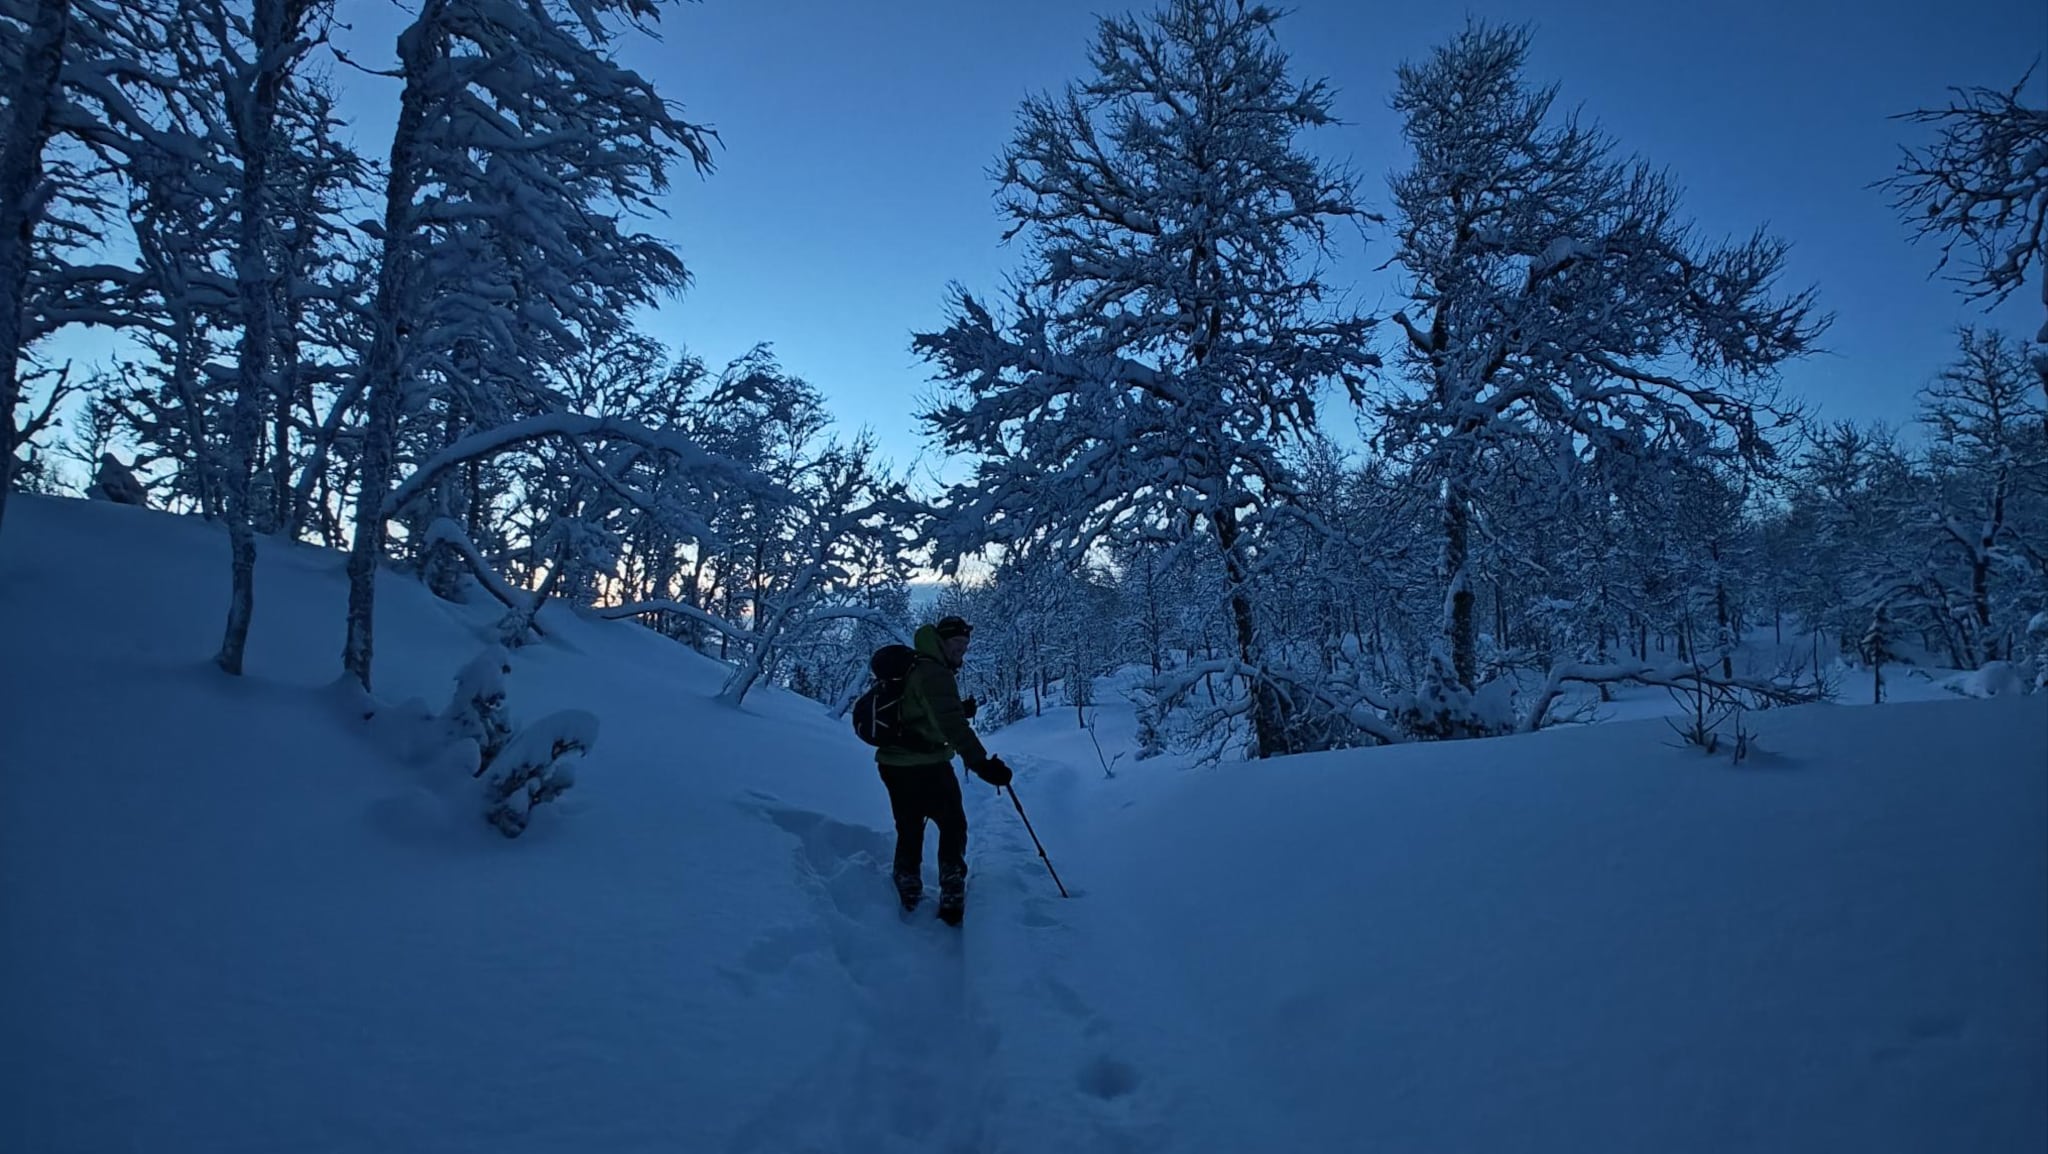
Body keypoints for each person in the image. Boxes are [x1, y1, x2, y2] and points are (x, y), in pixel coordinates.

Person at [874, 615, 1011, 925]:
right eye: (957, 644)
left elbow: (921, 710)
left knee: (909, 824)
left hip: (894, 764)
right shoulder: (935, 672)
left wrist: (958, 708)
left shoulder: (917, 666)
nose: (961, 650)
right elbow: (950, 725)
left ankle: (907, 881)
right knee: (952, 824)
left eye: (965, 645)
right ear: (941, 641)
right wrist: (981, 764)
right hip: (927, 763)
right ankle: (951, 885)